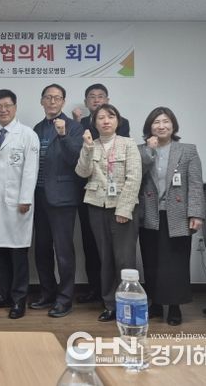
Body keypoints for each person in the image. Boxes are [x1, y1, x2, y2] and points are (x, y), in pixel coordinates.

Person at [138, 106, 205, 326]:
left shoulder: (187, 150)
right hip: (149, 213)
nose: (161, 126)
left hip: (177, 213)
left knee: (176, 262)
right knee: (151, 261)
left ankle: (174, 306)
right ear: (149, 127)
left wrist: (196, 213)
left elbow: (195, 183)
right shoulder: (141, 150)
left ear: (173, 125)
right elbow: (137, 176)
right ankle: (155, 304)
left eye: (165, 121)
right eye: (156, 122)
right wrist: (149, 151)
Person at [75, 103, 141, 322]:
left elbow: (134, 178)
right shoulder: (90, 145)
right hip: (97, 206)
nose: (105, 121)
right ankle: (110, 304)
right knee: (106, 259)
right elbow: (82, 172)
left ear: (117, 121)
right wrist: (87, 148)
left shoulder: (128, 144)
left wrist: (124, 209)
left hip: (122, 208)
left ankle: (128, 306)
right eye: (101, 118)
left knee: (124, 259)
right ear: (94, 123)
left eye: (110, 116)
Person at [0, 89, 39, 319]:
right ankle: (4, 294)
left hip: (17, 205)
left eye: (7, 105)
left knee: (18, 254)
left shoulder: (27, 134)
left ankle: (19, 299)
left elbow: (31, 170)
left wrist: (25, 199)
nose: (3, 110)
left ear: (15, 107)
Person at [71, 83, 131, 304]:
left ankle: (120, 296)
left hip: (117, 197)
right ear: (86, 102)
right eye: (92, 97)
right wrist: (78, 125)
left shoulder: (122, 126)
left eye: (101, 96)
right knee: (91, 245)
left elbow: (117, 153)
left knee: (119, 251)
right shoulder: (80, 126)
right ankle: (96, 290)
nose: (96, 100)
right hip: (90, 194)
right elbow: (80, 162)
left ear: (108, 100)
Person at [30, 84, 84, 318]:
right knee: (41, 249)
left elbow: (77, 159)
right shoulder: (37, 128)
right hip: (38, 195)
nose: (52, 101)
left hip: (62, 197)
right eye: (48, 97)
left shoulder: (75, 127)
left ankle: (65, 299)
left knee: (63, 251)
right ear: (42, 101)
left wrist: (63, 135)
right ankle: (47, 293)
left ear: (63, 101)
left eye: (57, 98)